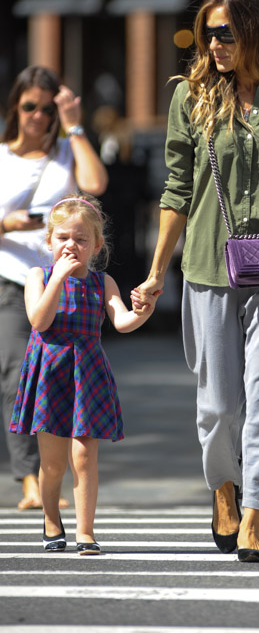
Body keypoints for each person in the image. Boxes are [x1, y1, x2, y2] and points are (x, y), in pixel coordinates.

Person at [133, 0, 259, 563]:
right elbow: (174, 190)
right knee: (220, 404)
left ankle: (254, 516)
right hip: (207, 267)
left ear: (255, 33)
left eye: (225, 32)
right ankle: (224, 487)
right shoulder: (190, 98)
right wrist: (154, 273)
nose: (214, 44)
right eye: (207, 34)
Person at [9, 195, 157, 554]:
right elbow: (39, 321)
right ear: (49, 241)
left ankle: (85, 531)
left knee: (84, 457)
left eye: (80, 239)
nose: (71, 245)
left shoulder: (102, 283)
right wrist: (58, 278)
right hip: (50, 374)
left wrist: (143, 311)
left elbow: (121, 321)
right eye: (62, 238)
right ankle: (50, 519)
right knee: (54, 463)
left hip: (85, 374)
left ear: (97, 245)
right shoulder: (38, 276)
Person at [0, 65, 108, 511]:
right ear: (15, 107)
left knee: (59, 380)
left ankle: (47, 476)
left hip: (64, 285)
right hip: (12, 278)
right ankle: (29, 477)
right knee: (15, 376)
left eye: (48, 109)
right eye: (30, 107)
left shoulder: (67, 150)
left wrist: (74, 125)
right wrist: (7, 223)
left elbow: (96, 184)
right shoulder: (2, 155)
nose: (39, 117)